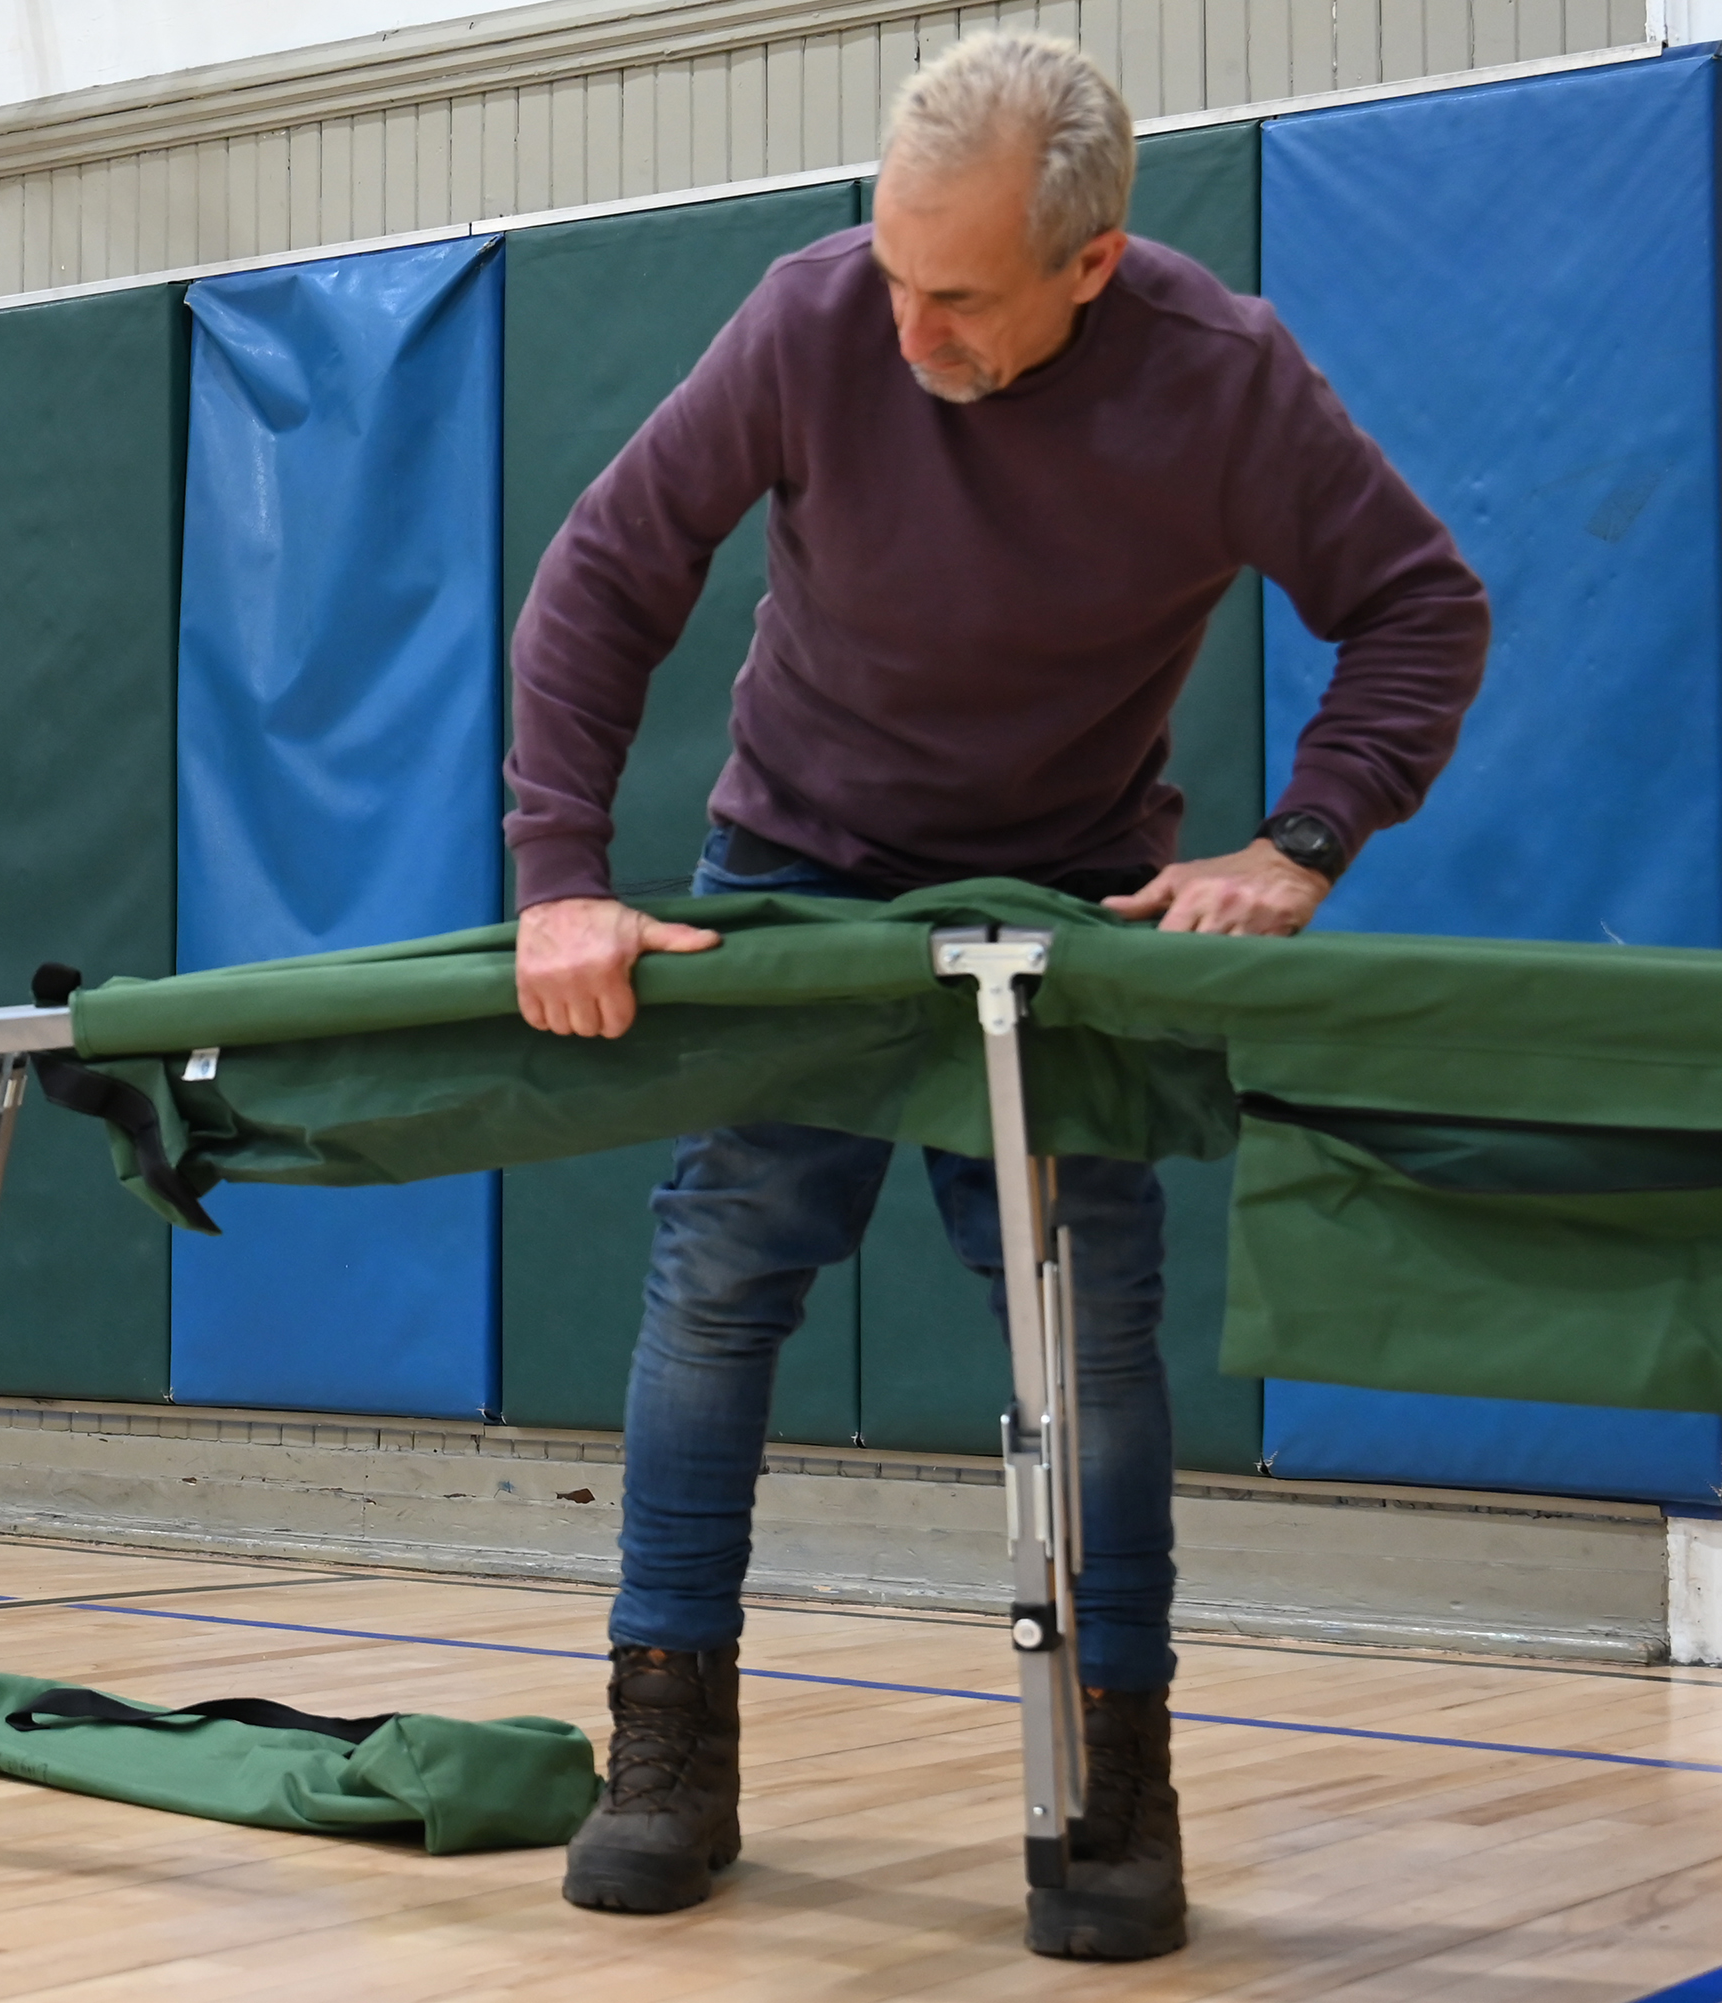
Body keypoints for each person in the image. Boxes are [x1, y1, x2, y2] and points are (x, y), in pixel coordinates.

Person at [504, 30, 1488, 1961]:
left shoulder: (1222, 377)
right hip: (797, 863)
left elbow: (1419, 606)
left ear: (1094, 262)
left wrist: (1302, 843)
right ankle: (668, 1742)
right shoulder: (809, 322)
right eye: (893, 270)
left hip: (1062, 893)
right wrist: (560, 879)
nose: (909, 325)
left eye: (956, 296)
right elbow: (608, 573)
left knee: (1087, 1329)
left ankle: (1116, 1780)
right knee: (720, 1276)